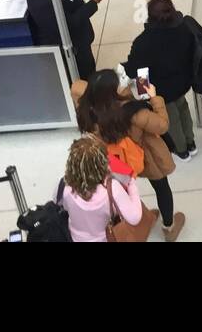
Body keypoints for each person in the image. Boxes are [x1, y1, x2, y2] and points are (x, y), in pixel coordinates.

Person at [74, 67, 184, 241]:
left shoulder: (86, 109)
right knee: (161, 187)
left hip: (115, 162)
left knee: (126, 193)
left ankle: (142, 219)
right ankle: (169, 226)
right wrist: (155, 97)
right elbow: (162, 125)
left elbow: (76, 88)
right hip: (147, 157)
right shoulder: (135, 112)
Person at [125, 0, 202, 161]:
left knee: (172, 119)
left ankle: (181, 150)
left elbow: (137, 70)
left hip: (161, 89)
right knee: (183, 108)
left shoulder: (143, 42)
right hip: (183, 81)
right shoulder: (184, 29)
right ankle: (191, 143)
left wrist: (145, 94)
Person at [10, 0, 104, 82]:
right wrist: (93, 3)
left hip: (81, 37)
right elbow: (70, 24)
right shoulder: (42, 2)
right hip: (74, 48)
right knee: (85, 75)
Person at [59, 133, 146, 243]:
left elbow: (65, 207)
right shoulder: (112, 188)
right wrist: (132, 185)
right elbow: (135, 218)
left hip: (76, 238)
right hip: (104, 238)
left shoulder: (64, 186)